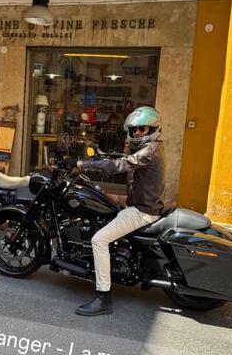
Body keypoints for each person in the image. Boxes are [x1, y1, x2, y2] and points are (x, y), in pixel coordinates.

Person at [74, 106, 166, 316]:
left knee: (99, 240)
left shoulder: (150, 151)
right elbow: (121, 160)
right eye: (133, 129)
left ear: (153, 129)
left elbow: (120, 165)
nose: (137, 133)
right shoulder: (152, 148)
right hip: (142, 205)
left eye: (142, 129)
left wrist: (83, 164)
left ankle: (103, 297)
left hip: (142, 211)